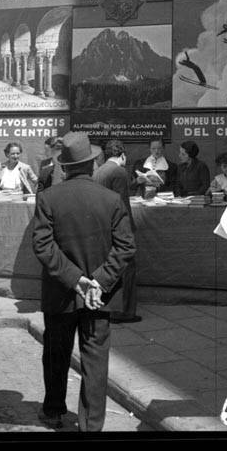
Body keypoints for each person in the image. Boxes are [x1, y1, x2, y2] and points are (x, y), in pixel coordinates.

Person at [32, 131, 135, 432]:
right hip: (99, 297)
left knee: (55, 354)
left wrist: (76, 280)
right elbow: (126, 247)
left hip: (60, 293)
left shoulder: (48, 198)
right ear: (92, 165)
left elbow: (43, 246)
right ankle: (90, 425)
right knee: (95, 360)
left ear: (64, 167)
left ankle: (53, 411)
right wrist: (97, 282)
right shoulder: (112, 199)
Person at [93, 138, 141, 324]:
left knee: (110, 266)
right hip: (119, 227)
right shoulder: (119, 171)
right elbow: (122, 204)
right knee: (127, 269)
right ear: (122, 155)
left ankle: (110, 308)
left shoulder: (99, 171)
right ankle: (126, 312)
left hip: (103, 226)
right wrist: (129, 228)